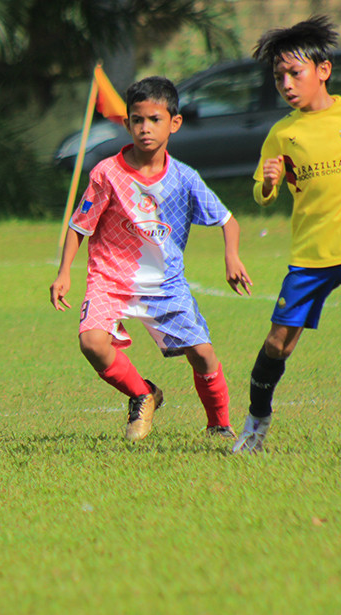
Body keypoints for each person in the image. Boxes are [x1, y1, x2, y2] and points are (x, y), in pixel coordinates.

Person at [50, 76, 252, 442]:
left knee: (203, 355)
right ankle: (143, 394)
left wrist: (232, 256)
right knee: (92, 343)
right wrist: (64, 272)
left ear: (174, 123)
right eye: (137, 120)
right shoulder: (106, 173)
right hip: (110, 279)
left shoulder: (184, 179)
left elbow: (227, 220)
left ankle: (218, 426)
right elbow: (79, 224)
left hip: (165, 284)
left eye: (154, 119)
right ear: (127, 123)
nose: (145, 128)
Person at [233, 16, 341, 452]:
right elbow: (263, 197)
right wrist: (266, 181)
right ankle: (255, 426)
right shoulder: (283, 133)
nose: (285, 82)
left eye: (293, 72)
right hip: (311, 257)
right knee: (277, 345)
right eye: (278, 75)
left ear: (323, 71)